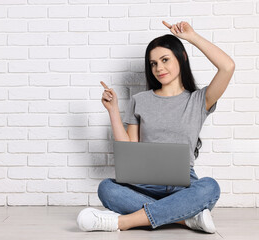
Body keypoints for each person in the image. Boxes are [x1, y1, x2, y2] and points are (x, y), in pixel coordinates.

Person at [76, 21, 235, 233]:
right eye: (153, 64)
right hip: (143, 185)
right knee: (106, 188)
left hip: (184, 186)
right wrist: (113, 110)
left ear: (182, 57)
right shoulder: (140, 100)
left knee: (210, 187)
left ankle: (123, 222)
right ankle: (184, 218)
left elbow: (227, 66)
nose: (159, 68)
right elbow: (129, 149)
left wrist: (192, 37)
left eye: (165, 60)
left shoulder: (199, 100)